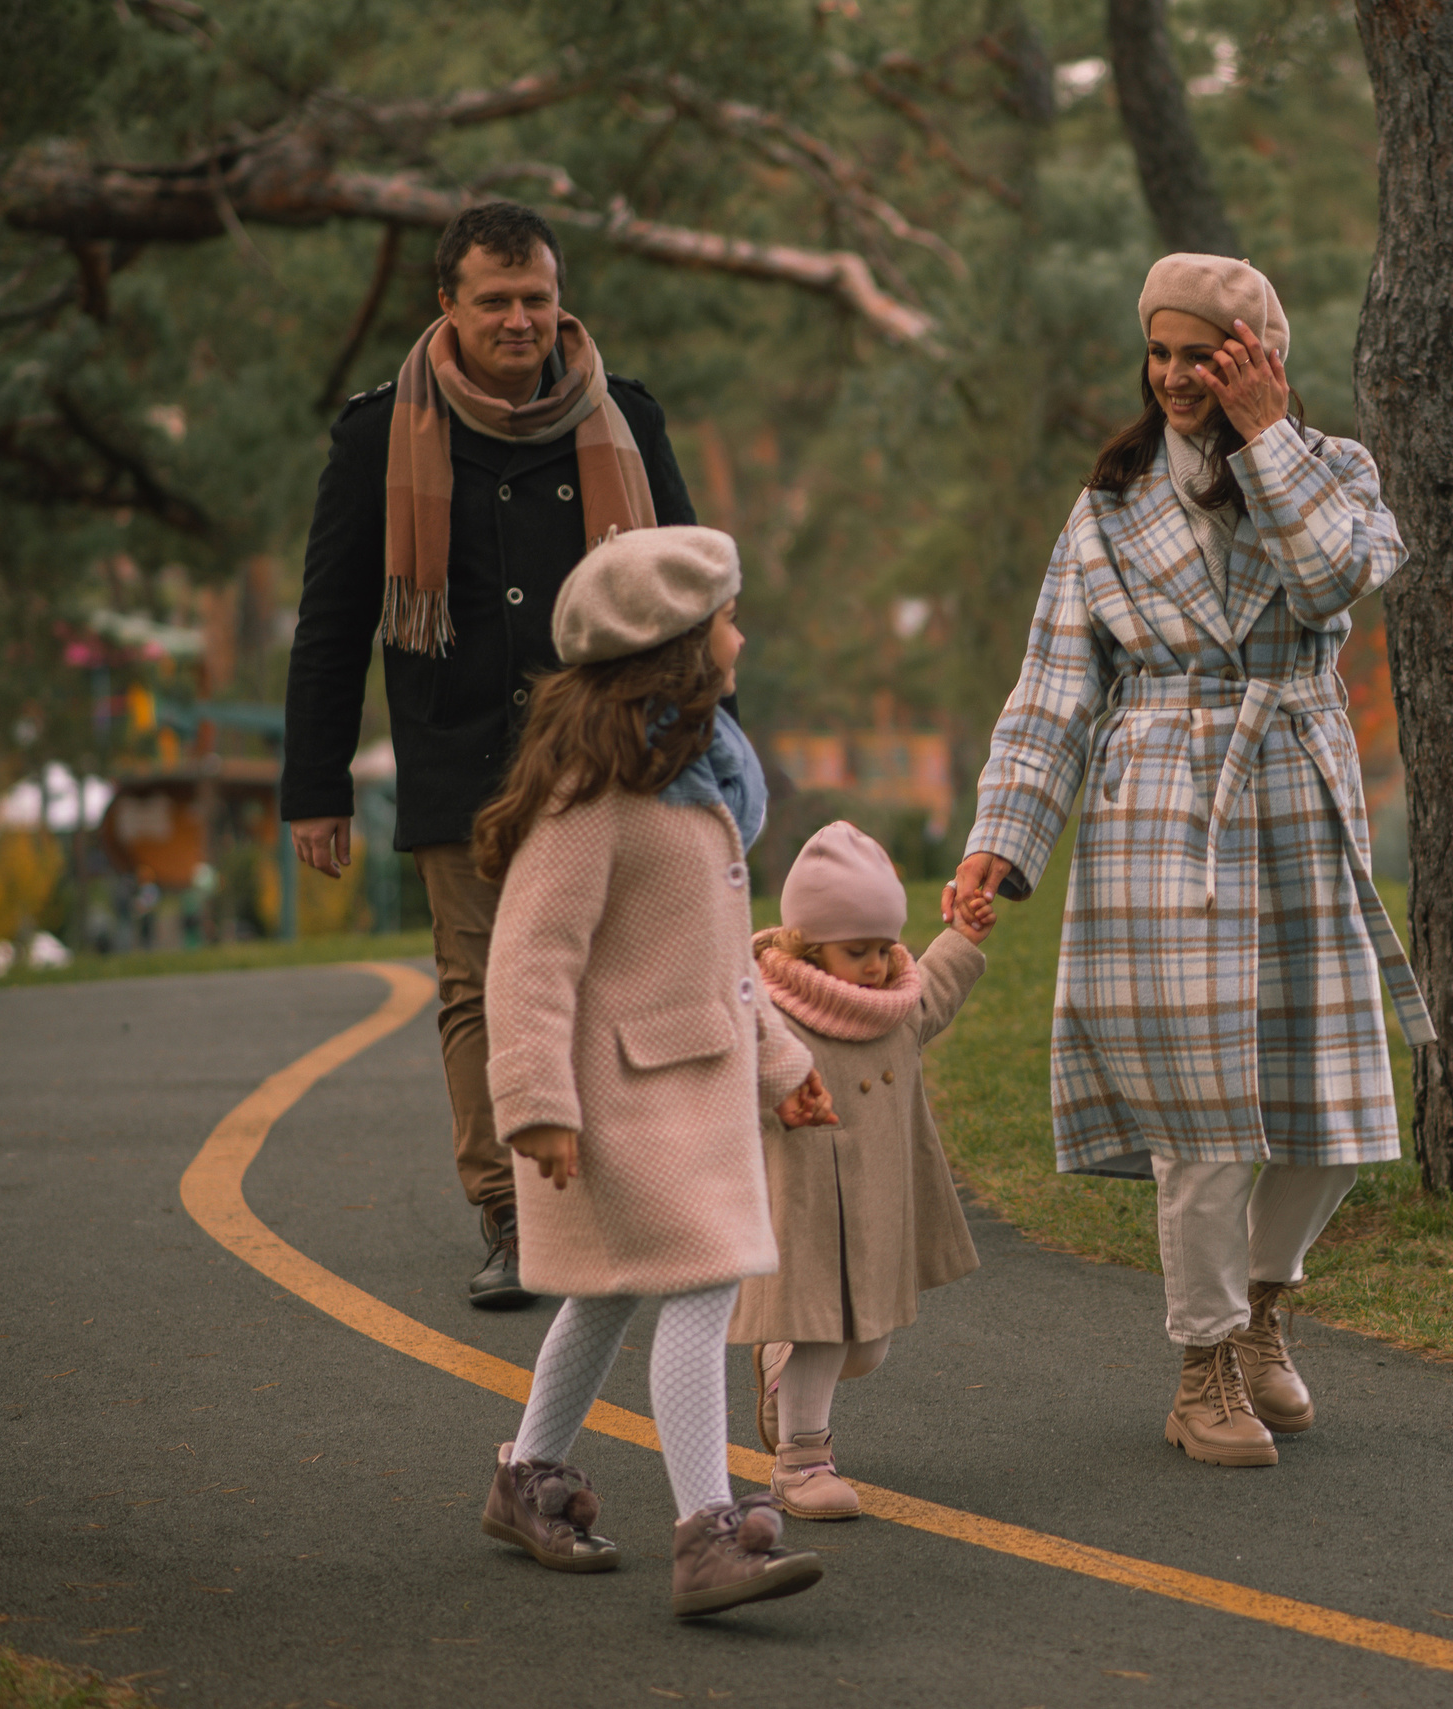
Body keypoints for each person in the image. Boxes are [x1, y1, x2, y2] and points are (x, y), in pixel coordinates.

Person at [946, 254, 1436, 1469]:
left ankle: (1268, 1307)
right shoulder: (1108, 504)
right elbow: (1055, 686)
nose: (1172, 377)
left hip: (1296, 789)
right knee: (1205, 1103)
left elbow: (1337, 577)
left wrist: (1268, 436)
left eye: (1200, 355)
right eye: (1158, 353)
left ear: (1257, 355)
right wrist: (1000, 842)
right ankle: (1204, 1361)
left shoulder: (1334, 472)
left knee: (1326, 1098)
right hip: (1157, 801)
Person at [279, 201, 703, 1309]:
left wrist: (705, 745)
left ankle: (619, 1186)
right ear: (448, 308)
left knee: (615, 971)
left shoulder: (625, 418)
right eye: (495, 301)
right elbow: (333, 621)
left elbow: (691, 591)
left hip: (608, 746)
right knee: (481, 984)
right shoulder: (379, 435)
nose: (520, 320)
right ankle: (510, 1210)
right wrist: (315, 786)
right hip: (457, 752)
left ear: (559, 299)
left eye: (536, 298)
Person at [469, 524, 834, 1618]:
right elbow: (529, 959)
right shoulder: (592, 796)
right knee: (702, 1281)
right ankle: (708, 1533)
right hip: (620, 1101)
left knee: (606, 1294)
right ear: (676, 648)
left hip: (684, 1086)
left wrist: (783, 1060)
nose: (741, 632)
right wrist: (533, 1104)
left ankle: (526, 1478)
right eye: (725, 616)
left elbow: (717, 961)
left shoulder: (688, 774)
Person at [733, 821, 994, 1520]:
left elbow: (931, 985)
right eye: (859, 951)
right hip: (807, 1202)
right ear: (807, 942)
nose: (878, 965)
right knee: (823, 1325)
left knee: (867, 1344)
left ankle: (779, 1363)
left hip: (877, 1201)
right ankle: (801, 1459)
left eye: (886, 946)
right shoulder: (771, 1009)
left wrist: (963, 935)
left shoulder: (896, 1004)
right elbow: (739, 1068)